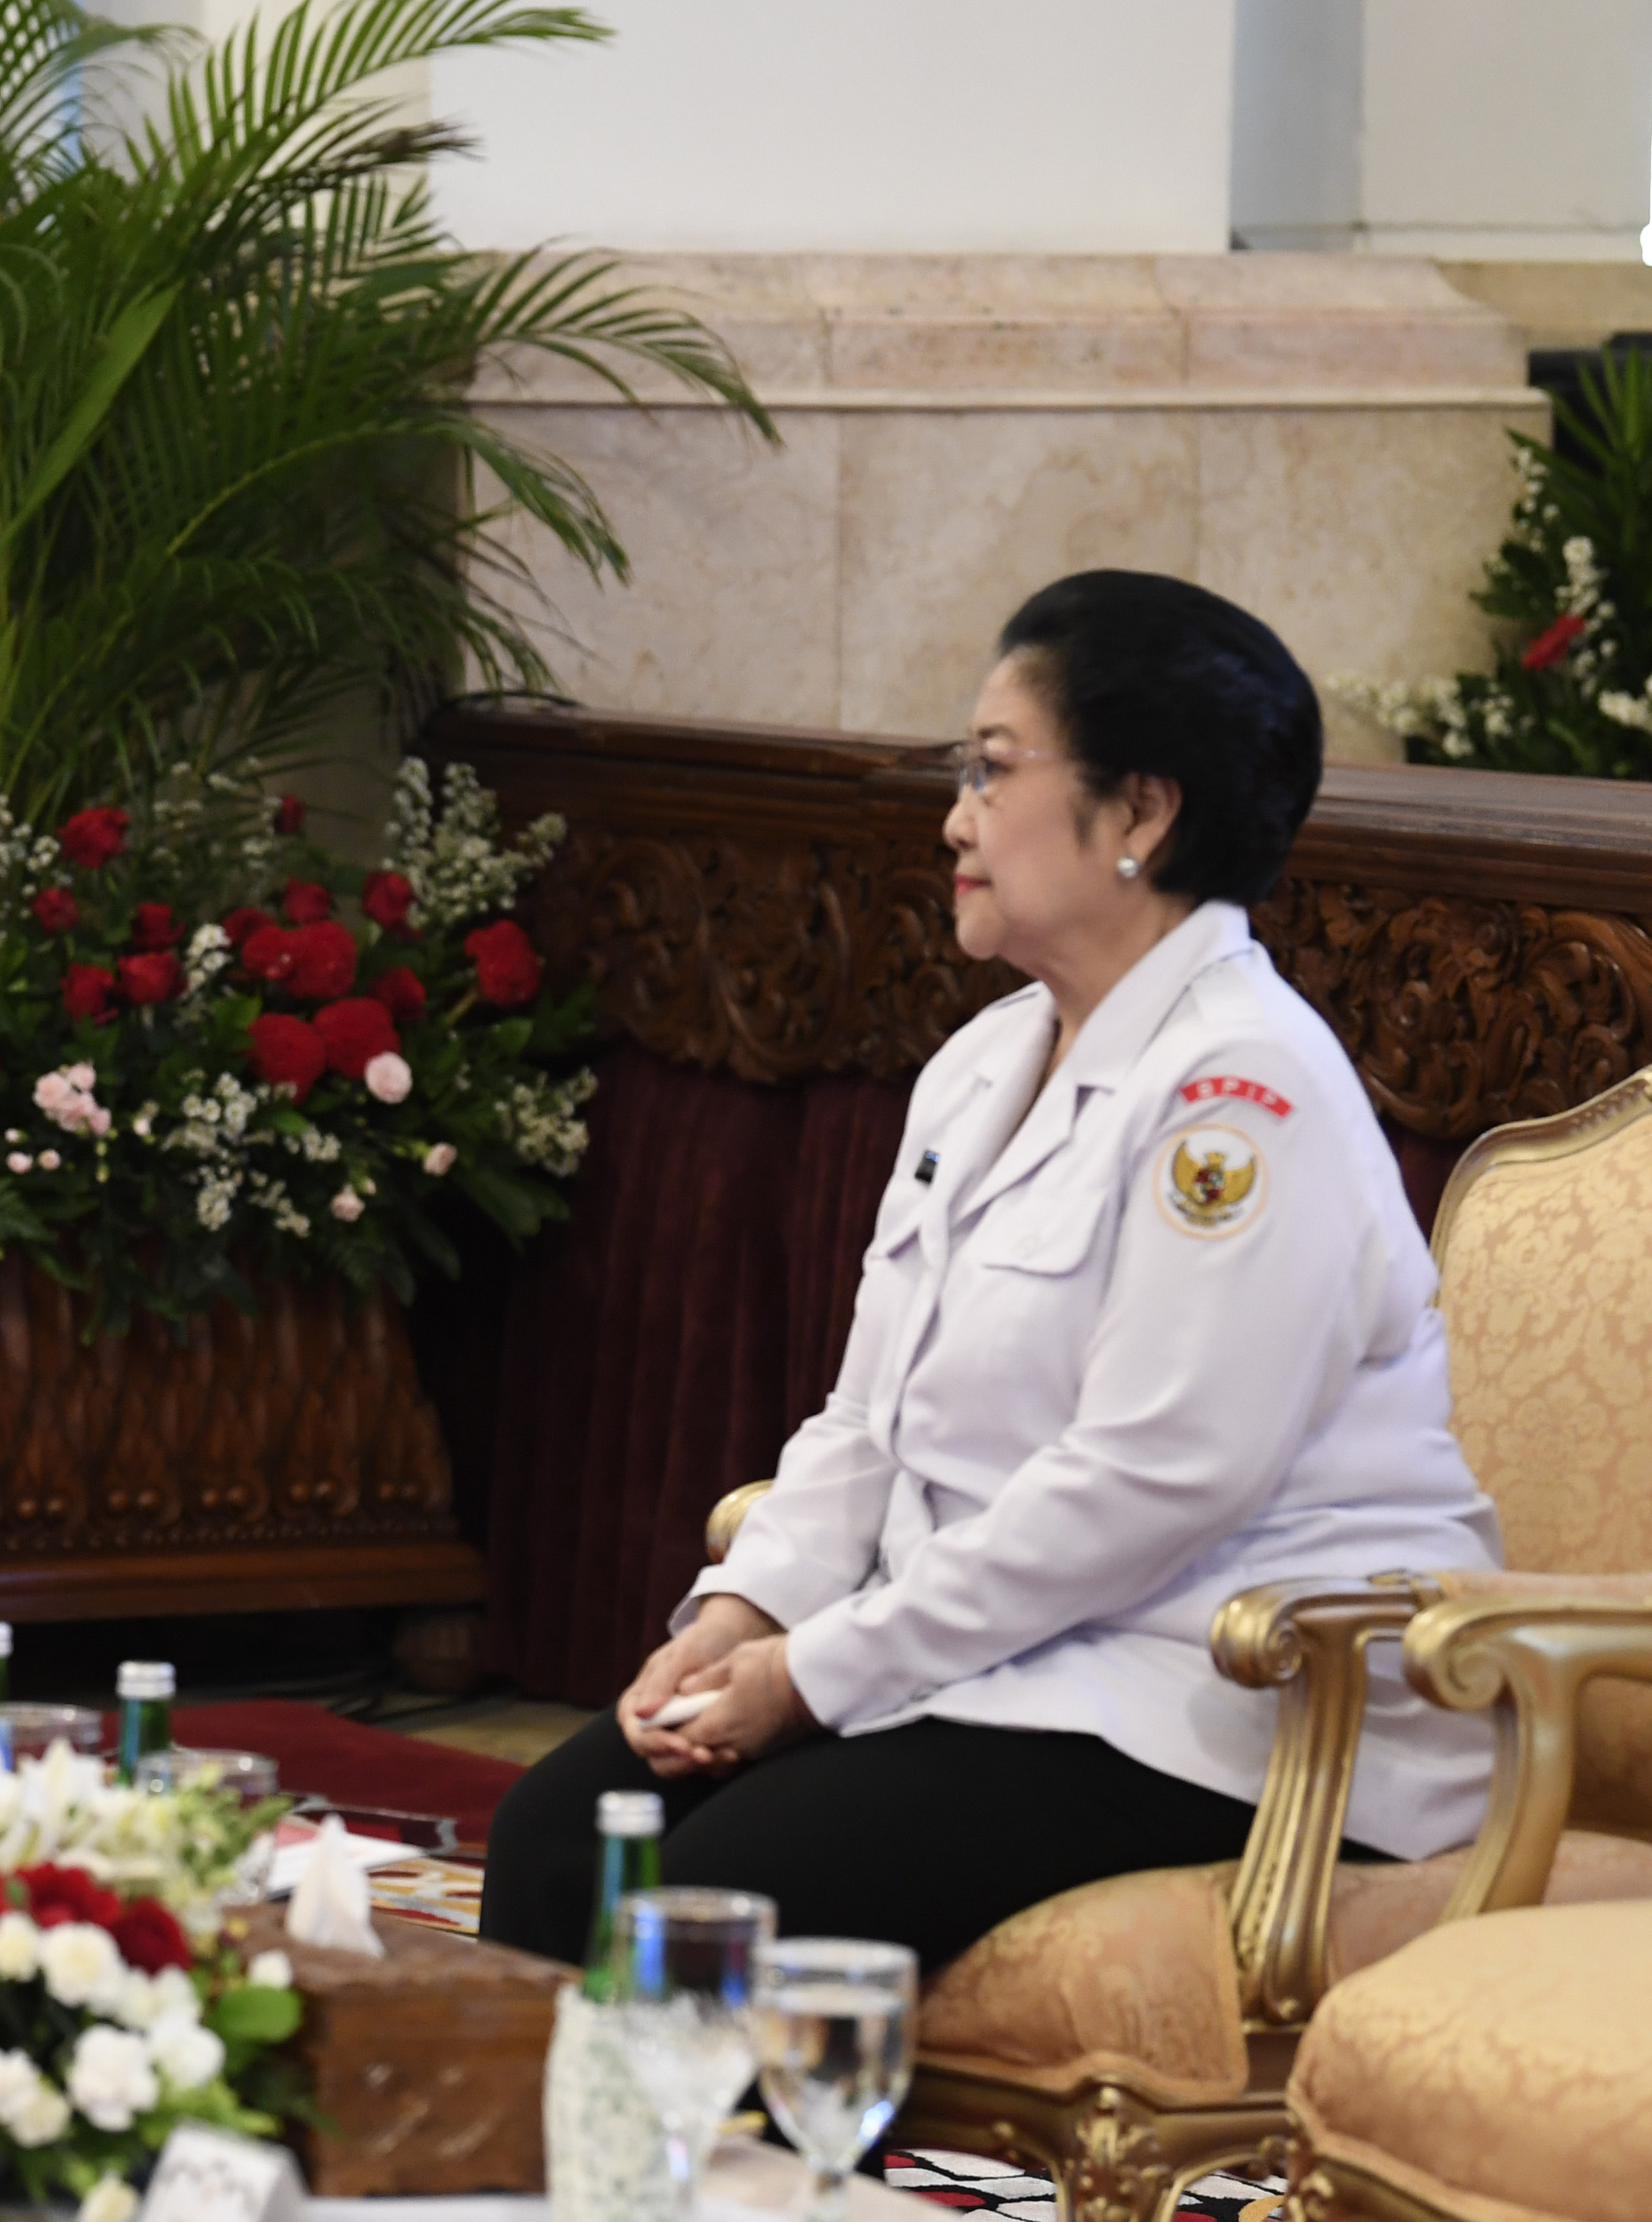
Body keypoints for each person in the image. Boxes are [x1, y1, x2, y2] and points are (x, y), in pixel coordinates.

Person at [477, 571, 1497, 1977]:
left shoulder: (1242, 1092)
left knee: (717, 1897)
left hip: (1215, 1698)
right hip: (1009, 1662)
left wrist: (818, 1677)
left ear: (1142, 811)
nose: (956, 817)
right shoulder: (983, 1063)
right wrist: (738, 1620)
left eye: (994, 771)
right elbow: (865, 1422)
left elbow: (1143, 1485)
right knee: (557, 1830)